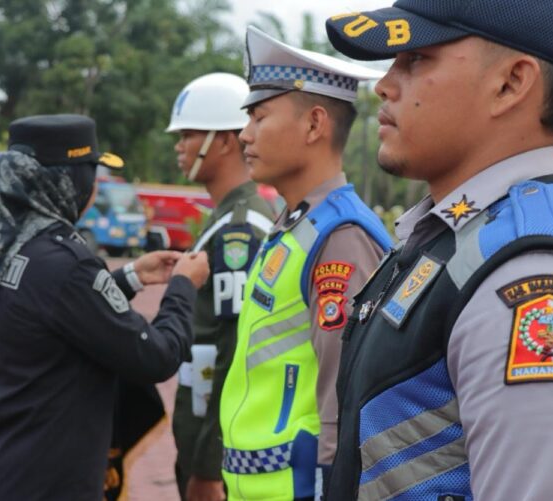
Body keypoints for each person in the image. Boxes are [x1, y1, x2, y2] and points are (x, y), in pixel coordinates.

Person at [324, 2, 553, 499]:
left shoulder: (526, 270)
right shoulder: (462, 233)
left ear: (511, 83)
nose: (385, 84)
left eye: (414, 59)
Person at [0, 114, 210, 501]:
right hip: (49, 483)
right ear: (69, 181)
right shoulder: (65, 262)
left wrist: (131, 276)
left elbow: (55, 313)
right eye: (91, 173)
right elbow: (156, 356)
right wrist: (182, 288)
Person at [219, 27, 393, 501]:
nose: (244, 134)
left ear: (315, 125)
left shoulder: (340, 237)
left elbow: (345, 391)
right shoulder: (296, 224)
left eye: (259, 116)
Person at [165, 72, 276, 501]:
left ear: (226, 140)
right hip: (201, 435)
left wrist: (210, 465)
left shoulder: (240, 230)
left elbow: (235, 351)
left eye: (189, 134)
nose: (179, 146)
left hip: (216, 452)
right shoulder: (225, 219)